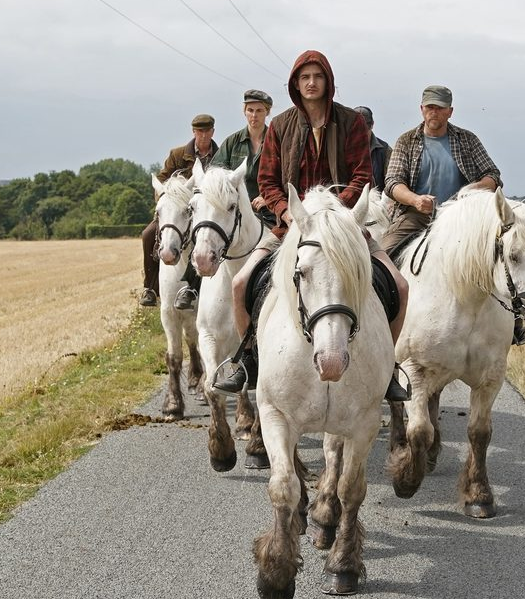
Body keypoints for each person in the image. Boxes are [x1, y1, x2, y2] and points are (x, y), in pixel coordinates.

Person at [212, 50, 409, 401]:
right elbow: (268, 181)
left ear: (328, 81)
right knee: (241, 283)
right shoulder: (280, 126)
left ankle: (389, 368)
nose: (311, 83)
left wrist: (333, 213)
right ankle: (249, 361)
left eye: (317, 76)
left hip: (344, 227)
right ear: (295, 83)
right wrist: (286, 213)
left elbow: (363, 175)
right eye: (305, 77)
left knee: (400, 286)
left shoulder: (352, 123)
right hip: (290, 228)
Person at [379, 85, 502, 259]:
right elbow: (392, 183)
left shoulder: (467, 139)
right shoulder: (406, 141)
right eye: (430, 107)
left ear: (450, 111)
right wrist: (416, 200)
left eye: (440, 108)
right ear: (421, 109)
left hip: (462, 216)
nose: (434, 112)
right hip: (417, 215)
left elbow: (493, 175)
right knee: (383, 255)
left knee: (498, 253)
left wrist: (472, 191)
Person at [138, 113, 219, 308]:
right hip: (176, 212)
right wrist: (171, 201)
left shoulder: (220, 155)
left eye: (207, 131)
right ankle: (150, 288)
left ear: (212, 132)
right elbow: (162, 180)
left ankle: (197, 289)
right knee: (148, 235)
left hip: (205, 212)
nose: (204, 135)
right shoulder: (177, 154)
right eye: (200, 131)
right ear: (194, 132)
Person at [213, 89, 274, 224]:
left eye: (259, 110)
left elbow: (289, 176)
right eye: (250, 110)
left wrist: (269, 198)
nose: (254, 115)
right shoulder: (232, 142)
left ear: (267, 112)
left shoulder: (277, 141)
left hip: (270, 214)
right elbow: (214, 174)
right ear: (244, 112)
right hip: (235, 214)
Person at [356, 105, 391, 191]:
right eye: (357, 129)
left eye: (365, 128)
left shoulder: (385, 150)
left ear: (372, 125)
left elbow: (391, 181)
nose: (361, 134)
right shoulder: (341, 149)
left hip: (377, 201)